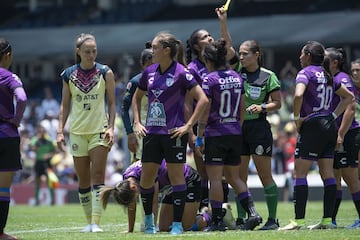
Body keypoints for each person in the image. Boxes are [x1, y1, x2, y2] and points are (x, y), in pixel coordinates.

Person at [132, 31, 208, 235]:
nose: (152, 51)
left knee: (177, 179)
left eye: (155, 47)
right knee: (147, 181)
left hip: (174, 134)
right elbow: (136, 97)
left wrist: (188, 126)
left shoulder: (182, 73)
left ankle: (176, 225)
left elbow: (203, 100)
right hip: (152, 135)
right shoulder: (149, 72)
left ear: (167, 50)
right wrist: (137, 122)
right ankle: (149, 222)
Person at [279, 41, 355, 231]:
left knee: (300, 173)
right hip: (329, 126)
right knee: (328, 175)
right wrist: (333, 116)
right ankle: (328, 220)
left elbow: (298, 96)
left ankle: (299, 221)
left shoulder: (305, 73)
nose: (299, 57)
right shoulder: (329, 74)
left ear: (307, 55)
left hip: (311, 125)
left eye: (301, 54)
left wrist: (297, 119)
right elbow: (349, 98)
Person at [195, 38, 262, 231]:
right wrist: (236, 128)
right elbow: (243, 108)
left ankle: (216, 221)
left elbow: (205, 110)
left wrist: (200, 136)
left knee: (215, 179)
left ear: (209, 61)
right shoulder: (237, 77)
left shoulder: (209, 80)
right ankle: (253, 213)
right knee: (235, 178)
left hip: (216, 133)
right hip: (234, 132)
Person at [56, 33, 116, 233]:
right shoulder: (67, 75)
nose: (91, 55)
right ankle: (89, 221)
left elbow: (112, 103)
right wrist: (59, 131)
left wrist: (111, 127)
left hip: (99, 130)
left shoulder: (105, 72)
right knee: (82, 180)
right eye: (87, 51)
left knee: (98, 175)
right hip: (77, 132)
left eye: (94, 51)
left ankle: (96, 223)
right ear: (78, 52)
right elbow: (65, 105)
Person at [186, 6, 239, 211]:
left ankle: (222, 211)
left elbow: (228, 46)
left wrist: (222, 22)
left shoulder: (219, 61)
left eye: (210, 36)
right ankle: (205, 210)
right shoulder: (191, 69)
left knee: (222, 173)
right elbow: (188, 104)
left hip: (223, 127)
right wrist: (192, 133)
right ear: (197, 46)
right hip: (204, 127)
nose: (210, 38)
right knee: (205, 173)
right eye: (205, 37)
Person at [234, 39, 282, 230]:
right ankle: (241, 219)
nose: (241, 56)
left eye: (245, 53)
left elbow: (277, 103)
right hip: (238, 129)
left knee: (265, 175)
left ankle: (272, 220)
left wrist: (262, 107)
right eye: (240, 53)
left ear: (257, 55)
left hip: (259, 129)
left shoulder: (268, 76)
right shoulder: (236, 73)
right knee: (239, 176)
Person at [100, 160, 210, 232]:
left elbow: (154, 202)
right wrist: (130, 230)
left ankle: (210, 215)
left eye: (135, 196)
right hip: (172, 188)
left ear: (134, 188)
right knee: (164, 228)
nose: (137, 197)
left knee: (186, 227)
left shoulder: (145, 174)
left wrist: (150, 228)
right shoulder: (128, 180)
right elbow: (131, 207)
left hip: (189, 180)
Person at [323, 48, 360, 228]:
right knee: (335, 176)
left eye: (324, 59)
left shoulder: (342, 79)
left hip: (347, 134)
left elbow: (351, 108)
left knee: (350, 177)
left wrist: (341, 134)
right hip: (334, 134)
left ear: (334, 62)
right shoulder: (330, 79)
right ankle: (331, 220)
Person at [0, 37, 27, 240]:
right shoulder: (10, 77)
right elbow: (23, 98)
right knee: (2, 188)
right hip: (7, 136)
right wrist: (16, 120)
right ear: (8, 56)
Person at [121, 47, 153, 162]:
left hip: (159, 131)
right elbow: (124, 108)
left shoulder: (164, 81)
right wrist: (130, 133)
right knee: (139, 170)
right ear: (143, 65)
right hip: (141, 132)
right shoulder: (135, 82)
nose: (152, 69)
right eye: (149, 66)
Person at [30, 125, 57, 205]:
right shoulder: (36, 140)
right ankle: (36, 200)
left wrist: (48, 155)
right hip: (38, 163)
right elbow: (33, 148)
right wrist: (37, 140)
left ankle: (52, 200)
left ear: (45, 132)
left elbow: (54, 151)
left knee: (50, 181)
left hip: (47, 163)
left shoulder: (50, 141)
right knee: (37, 181)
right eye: (40, 132)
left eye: (43, 132)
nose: (41, 133)